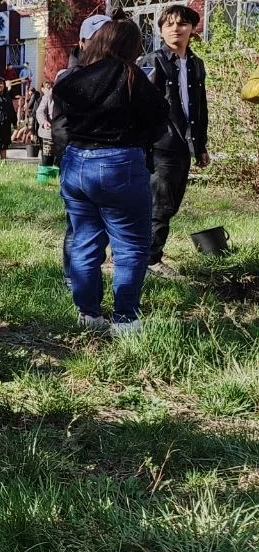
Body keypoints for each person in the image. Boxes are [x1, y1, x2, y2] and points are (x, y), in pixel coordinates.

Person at [53, 17, 167, 337]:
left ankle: (88, 313)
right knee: (130, 245)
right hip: (119, 162)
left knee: (85, 242)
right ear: (130, 46)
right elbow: (159, 118)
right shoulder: (131, 76)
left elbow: (61, 100)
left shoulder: (75, 77)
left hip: (76, 162)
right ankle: (125, 318)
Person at [137, 5, 210, 277]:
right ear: (160, 31)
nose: (175, 29)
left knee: (172, 204)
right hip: (160, 146)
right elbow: (139, 106)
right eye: (168, 24)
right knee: (160, 205)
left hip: (184, 146)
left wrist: (200, 146)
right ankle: (149, 260)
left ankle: (144, 256)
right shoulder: (151, 61)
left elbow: (200, 107)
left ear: (192, 29)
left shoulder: (196, 64)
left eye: (181, 24)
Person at [53, 13, 113, 290]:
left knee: (108, 226)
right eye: (95, 39)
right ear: (82, 42)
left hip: (113, 164)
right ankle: (72, 277)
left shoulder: (121, 73)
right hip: (78, 162)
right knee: (78, 226)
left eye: (107, 39)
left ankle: (93, 275)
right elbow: (61, 126)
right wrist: (68, 160)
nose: (102, 45)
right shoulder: (69, 78)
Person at [35, 80, 56, 169]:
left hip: (66, 133)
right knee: (47, 160)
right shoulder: (49, 95)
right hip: (49, 132)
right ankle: (46, 174)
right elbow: (40, 111)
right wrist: (44, 122)